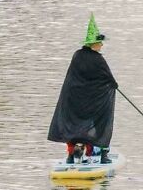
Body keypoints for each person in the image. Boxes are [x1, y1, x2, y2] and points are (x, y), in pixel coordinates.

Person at [47, 14, 118, 165]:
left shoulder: (77, 55)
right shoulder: (98, 59)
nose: (102, 45)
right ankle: (103, 155)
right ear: (94, 44)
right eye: (100, 42)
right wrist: (114, 86)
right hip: (92, 103)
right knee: (102, 119)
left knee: (73, 124)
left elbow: (72, 77)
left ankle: (71, 155)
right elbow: (109, 80)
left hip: (73, 101)